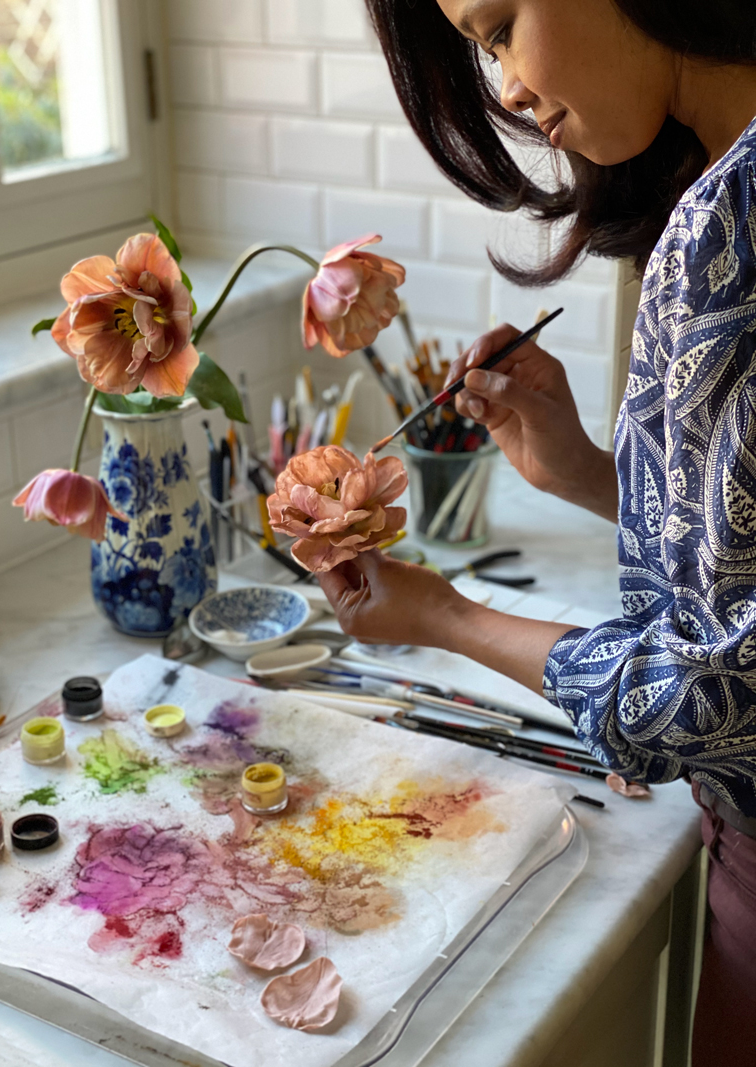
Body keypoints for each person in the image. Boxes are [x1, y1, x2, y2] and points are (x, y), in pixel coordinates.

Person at [314, 2, 756, 1063]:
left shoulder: (725, 230)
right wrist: (592, 476)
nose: (507, 86)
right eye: (481, 47)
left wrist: (444, 616)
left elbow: (718, 691)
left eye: (502, 23)